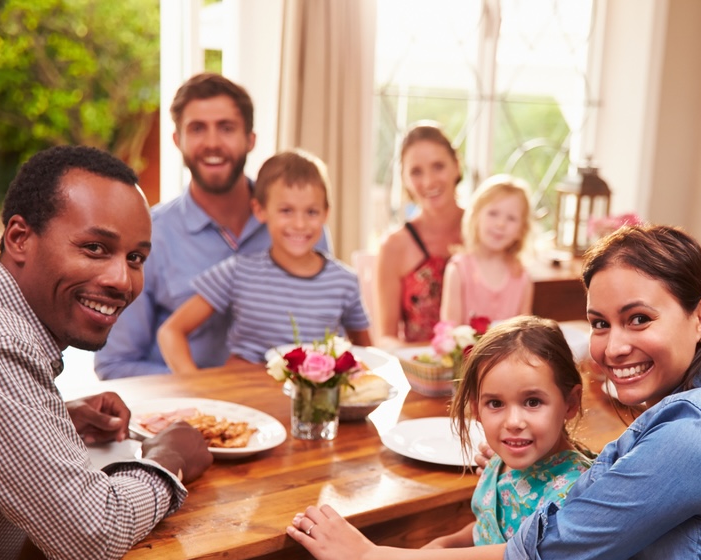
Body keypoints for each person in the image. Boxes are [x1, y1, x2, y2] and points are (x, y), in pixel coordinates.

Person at [276, 225, 701, 560]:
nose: (614, 345)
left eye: (639, 318)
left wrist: (369, 556)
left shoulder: (694, 435)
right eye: (600, 323)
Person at [0, 145, 234, 560]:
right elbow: (90, 534)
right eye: (95, 248)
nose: (122, 280)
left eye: (135, 258)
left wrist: (56, 416)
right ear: (19, 239)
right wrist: (168, 459)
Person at [261, 316, 592, 560]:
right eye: (495, 403)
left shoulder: (572, 494)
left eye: (533, 402)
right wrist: (448, 544)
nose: (513, 421)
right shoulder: (505, 459)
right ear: (476, 407)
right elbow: (490, 526)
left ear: (570, 403)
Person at [94, 72, 330, 379]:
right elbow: (116, 365)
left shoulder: (300, 225)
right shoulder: (148, 235)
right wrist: (211, 391)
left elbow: (325, 336)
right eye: (197, 129)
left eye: (227, 128)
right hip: (183, 410)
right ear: (178, 141)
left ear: (250, 139)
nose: (213, 143)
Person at [157, 149, 371, 372]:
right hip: (243, 396)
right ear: (260, 210)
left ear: (326, 214)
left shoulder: (345, 282)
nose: (299, 224)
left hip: (315, 402)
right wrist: (196, 386)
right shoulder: (238, 271)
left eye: (311, 212)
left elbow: (366, 355)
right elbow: (171, 332)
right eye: (286, 211)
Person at [374, 121, 464, 346]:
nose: (429, 181)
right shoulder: (393, 247)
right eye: (416, 172)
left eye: (438, 166)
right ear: (404, 179)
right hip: (421, 371)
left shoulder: (487, 231)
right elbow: (386, 337)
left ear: (457, 166)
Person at [440, 174, 534, 324]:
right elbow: (450, 332)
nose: (501, 224)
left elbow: (524, 333)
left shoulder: (522, 277)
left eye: (511, 218)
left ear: (521, 230)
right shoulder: (458, 270)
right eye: (493, 214)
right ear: (476, 217)